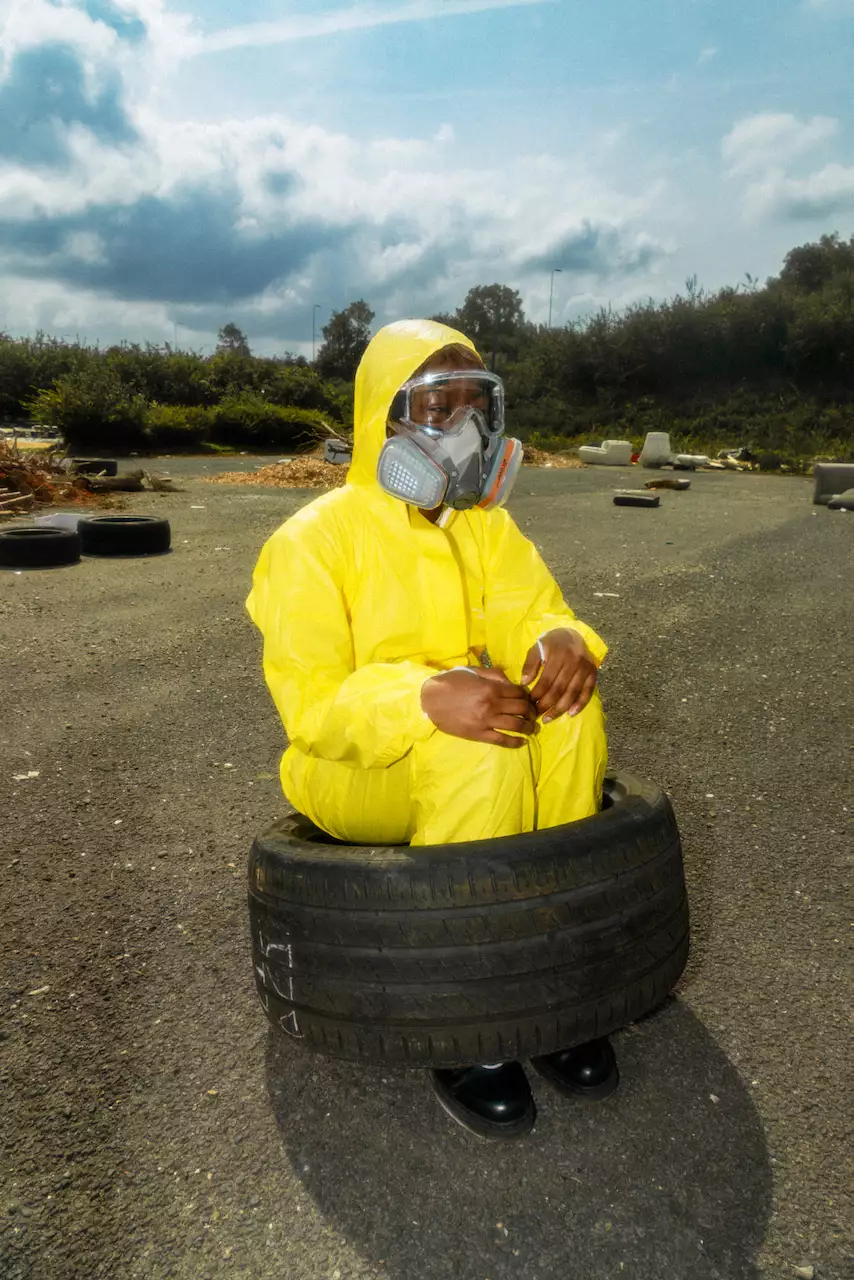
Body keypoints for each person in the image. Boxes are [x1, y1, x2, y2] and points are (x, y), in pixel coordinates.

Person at [246, 318, 617, 1139]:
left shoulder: (484, 525)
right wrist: (421, 698)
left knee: (569, 716)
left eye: (475, 406)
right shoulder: (311, 543)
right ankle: (470, 1023)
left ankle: (554, 989)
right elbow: (312, 711)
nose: (464, 430)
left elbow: (535, 611)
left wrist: (563, 642)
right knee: (476, 748)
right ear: (385, 417)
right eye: (435, 406)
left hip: (449, 742)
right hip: (348, 767)